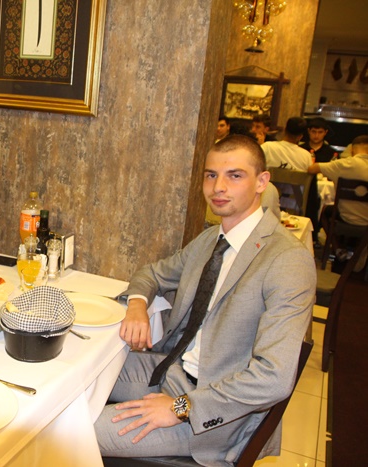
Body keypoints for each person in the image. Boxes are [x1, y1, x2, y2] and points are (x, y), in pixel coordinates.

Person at [96, 135, 315, 465]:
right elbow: (151, 274)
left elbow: (274, 378)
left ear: (261, 182)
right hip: (172, 371)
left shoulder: (287, 260)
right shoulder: (212, 239)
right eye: (211, 175)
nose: (218, 187)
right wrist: (138, 304)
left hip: (215, 414)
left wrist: (180, 407)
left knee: (70, 431)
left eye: (235, 175)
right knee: (79, 374)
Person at [308, 134, 368, 227]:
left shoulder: (343, 164)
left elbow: (312, 169)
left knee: (325, 210)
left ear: (352, 150)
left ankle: (331, 236)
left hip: (345, 217)